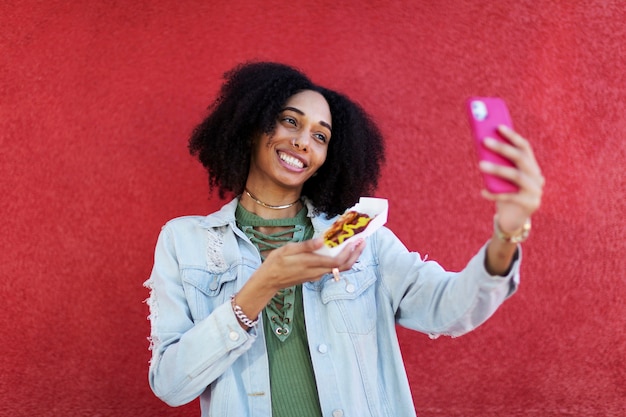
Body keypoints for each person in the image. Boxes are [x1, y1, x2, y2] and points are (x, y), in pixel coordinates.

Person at [144, 61, 544, 417]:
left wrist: (507, 233)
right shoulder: (185, 242)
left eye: (321, 136)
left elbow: (449, 308)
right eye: (290, 121)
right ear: (252, 124)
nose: (303, 141)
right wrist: (264, 284)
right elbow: (171, 384)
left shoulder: (358, 236)